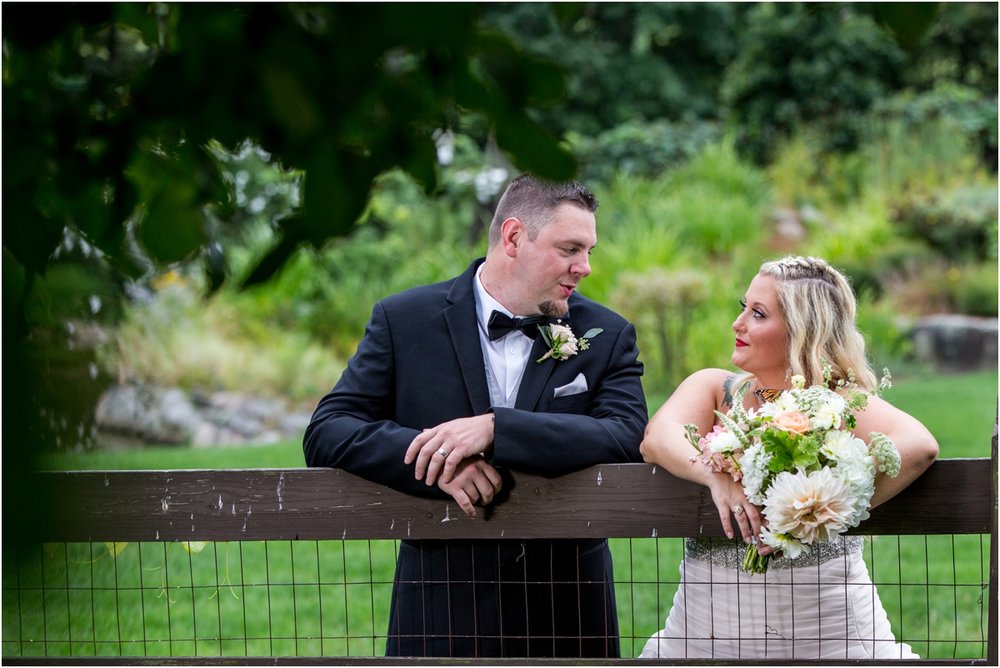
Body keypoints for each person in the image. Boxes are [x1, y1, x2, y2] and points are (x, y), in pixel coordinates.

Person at [304, 174, 648, 658]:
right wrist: (441, 462)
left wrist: (495, 429)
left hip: (568, 609)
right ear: (513, 237)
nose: (585, 267)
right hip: (441, 608)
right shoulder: (404, 320)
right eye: (570, 249)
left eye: (589, 250)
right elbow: (328, 429)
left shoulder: (607, 333)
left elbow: (626, 435)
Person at [638, 255, 939, 660]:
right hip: (701, 636)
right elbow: (657, 438)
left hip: (830, 635)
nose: (738, 323)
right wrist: (716, 477)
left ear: (801, 331)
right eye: (742, 307)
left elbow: (919, 446)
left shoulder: (839, 403)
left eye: (758, 314)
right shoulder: (715, 389)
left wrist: (811, 513)